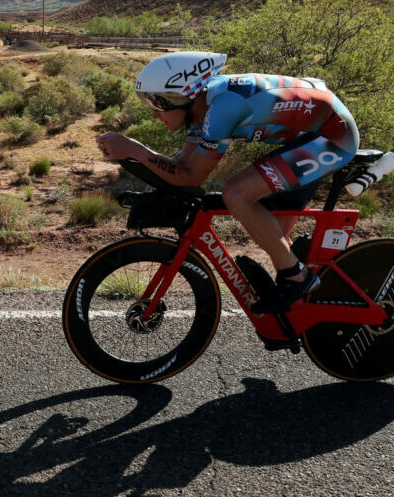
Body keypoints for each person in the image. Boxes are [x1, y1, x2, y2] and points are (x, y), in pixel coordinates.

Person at [96, 51, 359, 313]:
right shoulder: (203, 107)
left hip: (334, 136)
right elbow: (181, 170)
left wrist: (138, 151)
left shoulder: (222, 109)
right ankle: (301, 303)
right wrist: (140, 157)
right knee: (274, 234)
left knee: (236, 194)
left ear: (185, 96)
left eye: (158, 102)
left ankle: (298, 278)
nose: (154, 114)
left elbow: (192, 178)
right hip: (310, 129)